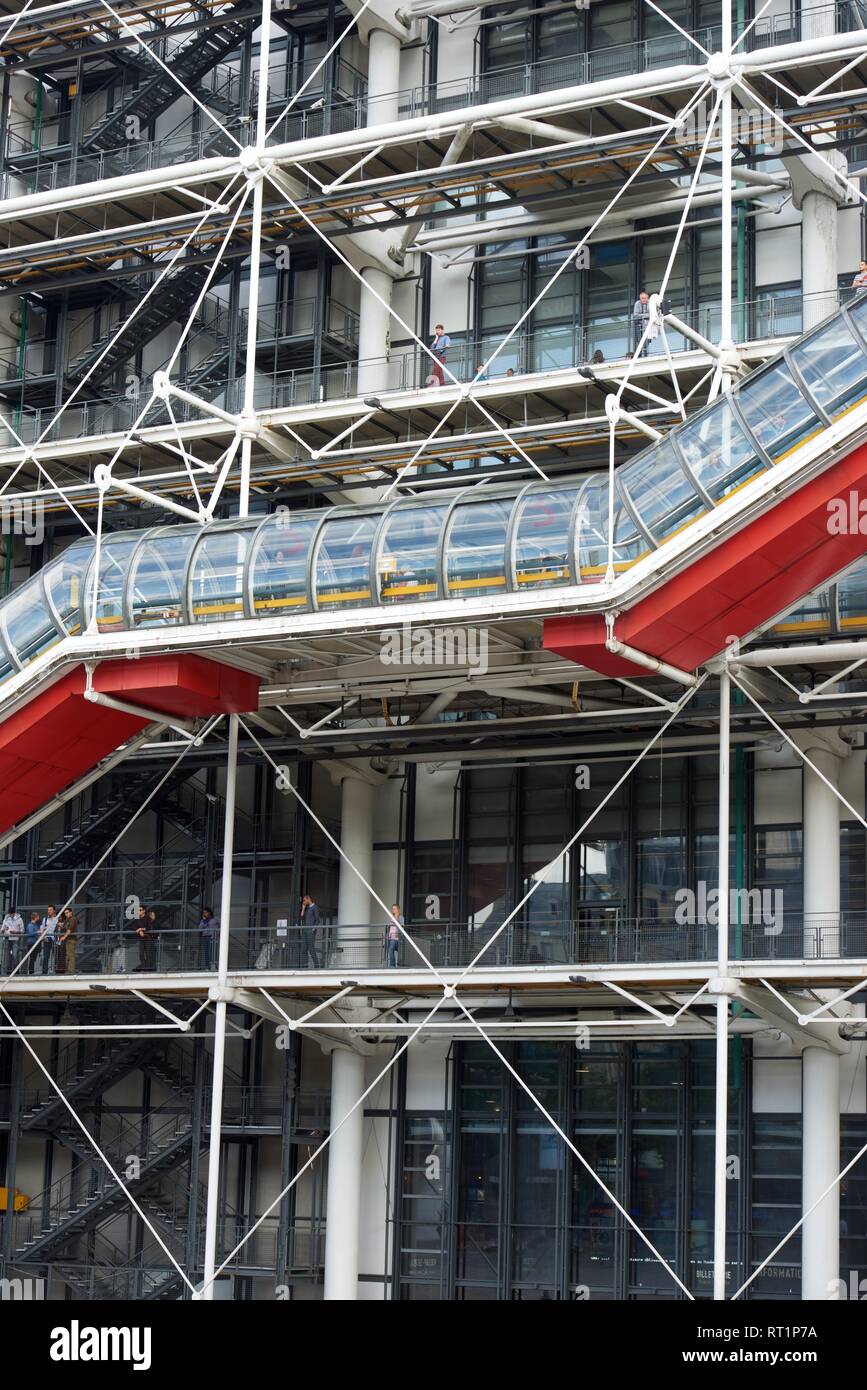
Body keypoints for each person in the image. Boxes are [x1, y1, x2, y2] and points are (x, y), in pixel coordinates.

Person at [1, 906, 23, 974]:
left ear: (14, 913)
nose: (10, 915)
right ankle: (8, 971)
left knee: (15, 955)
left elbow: (22, 931)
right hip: (7, 939)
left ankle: (16, 971)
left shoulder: (19, 919)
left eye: (11, 914)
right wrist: (3, 930)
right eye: (9, 914)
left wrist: (15, 932)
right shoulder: (6, 919)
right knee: (7, 956)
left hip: (15, 939)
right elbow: (2, 929)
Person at [300, 894, 320, 968]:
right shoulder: (307, 908)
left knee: (311, 949)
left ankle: (316, 966)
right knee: (303, 949)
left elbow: (317, 920)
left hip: (311, 932)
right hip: (305, 931)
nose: (304, 902)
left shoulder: (315, 907)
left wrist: (314, 928)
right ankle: (304, 966)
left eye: (304, 900)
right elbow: (302, 917)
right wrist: (303, 908)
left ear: (308, 899)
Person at [57, 907, 78, 975]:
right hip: (68, 939)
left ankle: (71, 971)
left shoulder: (72, 919)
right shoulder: (68, 920)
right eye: (65, 913)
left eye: (67, 913)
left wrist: (64, 937)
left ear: (71, 912)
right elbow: (66, 928)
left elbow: (69, 930)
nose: (66, 914)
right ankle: (69, 970)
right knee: (69, 955)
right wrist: (61, 926)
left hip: (71, 939)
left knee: (70, 955)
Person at [39, 904, 58, 975]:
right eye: (48, 910)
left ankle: (56, 971)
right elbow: (41, 928)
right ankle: (44, 972)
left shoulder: (57, 918)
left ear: (54, 911)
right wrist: (43, 937)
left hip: (55, 939)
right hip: (47, 939)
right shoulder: (45, 919)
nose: (49, 911)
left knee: (56, 956)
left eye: (50, 910)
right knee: (46, 956)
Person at [632, 290, 650, 356]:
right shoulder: (637, 303)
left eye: (645, 298)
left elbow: (652, 315)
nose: (643, 299)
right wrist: (646, 315)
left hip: (648, 326)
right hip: (639, 325)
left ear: (647, 298)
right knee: (639, 341)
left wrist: (641, 316)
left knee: (647, 341)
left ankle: (646, 354)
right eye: (642, 298)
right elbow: (635, 316)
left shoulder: (650, 303)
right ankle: (639, 355)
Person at [385, 904, 404, 969]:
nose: (393, 910)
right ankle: (390, 964)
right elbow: (390, 928)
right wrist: (387, 935)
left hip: (397, 938)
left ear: (398, 909)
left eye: (394, 908)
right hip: (390, 937)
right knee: (389, 948)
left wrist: (396, 919)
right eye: (392, 909)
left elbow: (402, 927)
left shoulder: (401, 917)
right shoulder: (391, 917)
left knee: (391, 947)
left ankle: (392, 965)